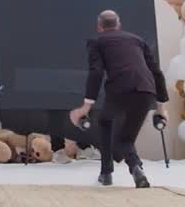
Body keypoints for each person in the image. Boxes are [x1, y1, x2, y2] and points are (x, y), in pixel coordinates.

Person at [69, 10, 168, 188]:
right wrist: (161, 108)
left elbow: (96, 72)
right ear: (119, 24)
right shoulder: (138, 40)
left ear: (99, 26)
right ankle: (136, 168)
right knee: (126, 139)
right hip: (146, 91)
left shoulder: (97, 42)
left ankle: (106, 174)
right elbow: (157, 73)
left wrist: (85, 107)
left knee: (105, 123)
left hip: (119, 91)